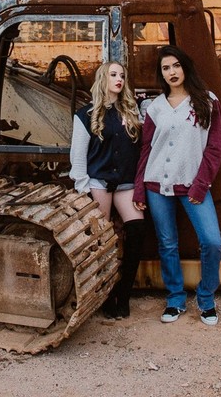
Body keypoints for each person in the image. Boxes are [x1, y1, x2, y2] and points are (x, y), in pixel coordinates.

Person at [133, 45, 221, 326]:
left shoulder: (207, 102)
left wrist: (201, 184)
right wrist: (139, 188)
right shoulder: (155, 107)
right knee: (167, 243)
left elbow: (214, 148)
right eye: (165, 68)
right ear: (161, 74)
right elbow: (146, 148)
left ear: (185, 68)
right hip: (156, 183)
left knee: (211, 241)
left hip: (193, 184)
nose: (171, 72)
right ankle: (175, 298)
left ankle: (206, 298)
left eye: (175, 66)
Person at [69, 60, 147, 319]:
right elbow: (78, 158)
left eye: (122, 75)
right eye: (113, 74)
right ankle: (102, 294)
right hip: (98, 183)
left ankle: (123, 296)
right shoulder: (85, 115)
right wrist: (84, 190)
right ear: (103, 79)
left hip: (125, 184)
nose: (119, 79)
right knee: (100, 240)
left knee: (136, 231)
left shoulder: (132, 113)